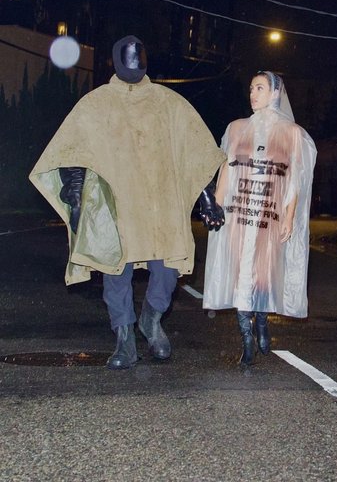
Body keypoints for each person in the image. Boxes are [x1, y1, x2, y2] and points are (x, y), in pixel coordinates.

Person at [30, 35, 225, 369]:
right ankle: (124, 339)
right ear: (116, 61)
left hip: (159, 204)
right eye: (128, 57)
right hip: (116, 206)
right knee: (115, 272)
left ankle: (151, 320)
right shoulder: (96, 103)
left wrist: (208, 199)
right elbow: (72, 152)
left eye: (139, 56)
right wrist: (76, 199)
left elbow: (196, 152)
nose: (134, 62)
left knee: (168, 269)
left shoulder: (169, 103)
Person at [203, 70, 317, 365]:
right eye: (251, 88)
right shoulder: (236, 128)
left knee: (263, 278)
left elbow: (295, 180)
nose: (253, 94)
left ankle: (262, 320)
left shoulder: (292, 134)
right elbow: (226, 171)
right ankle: (246, 341)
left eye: (260, 88)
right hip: (239, 215)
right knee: (241, 276)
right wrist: (216, 206)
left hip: (269, 216)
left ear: (275, 93)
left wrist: (289, 216)